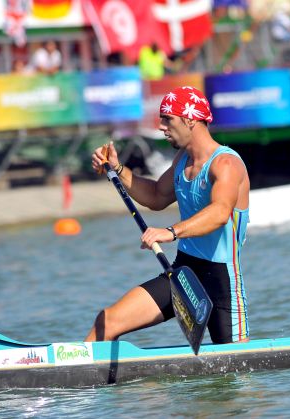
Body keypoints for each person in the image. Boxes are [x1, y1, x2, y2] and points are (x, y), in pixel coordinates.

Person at [86, 86, 251, 344]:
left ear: (189, 120)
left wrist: (170, 232)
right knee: (106, 322)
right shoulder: (181, 161)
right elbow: (155, 196)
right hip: (183, 273)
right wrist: (117, 169)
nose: (162, 126)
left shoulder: (226, 164)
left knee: (237, 376)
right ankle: (80, 376)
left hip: (223, 285)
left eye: (167, 118)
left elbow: (219, 213)